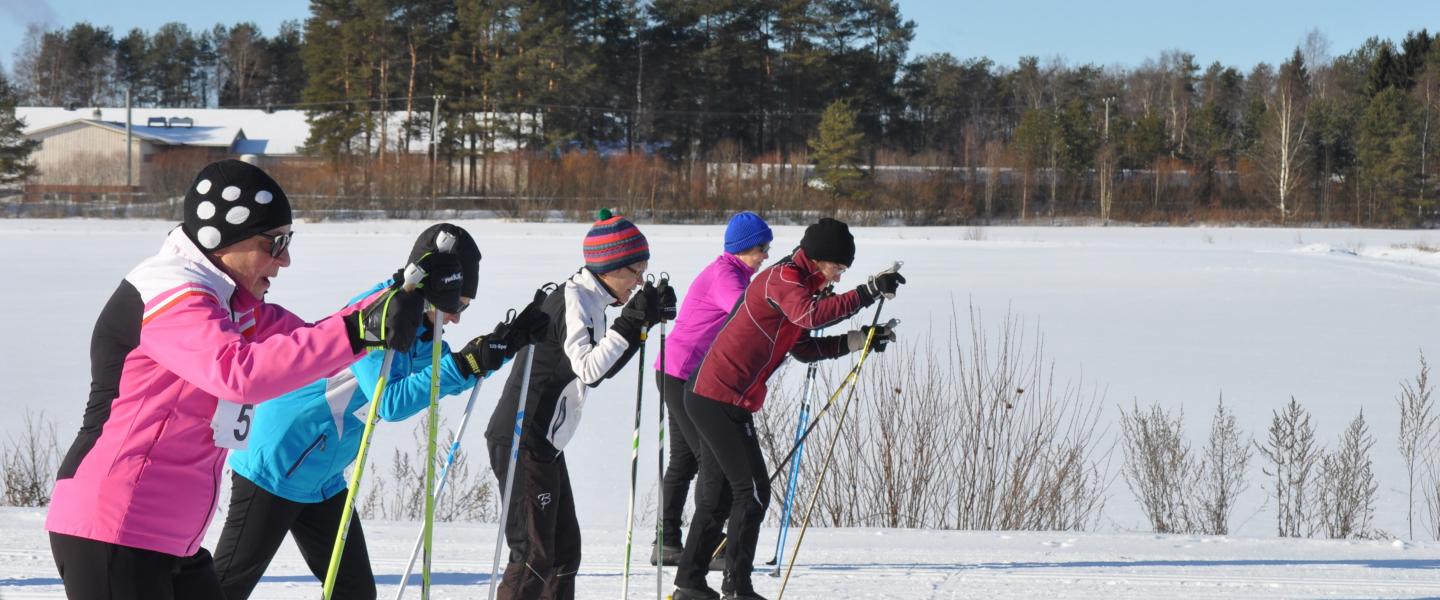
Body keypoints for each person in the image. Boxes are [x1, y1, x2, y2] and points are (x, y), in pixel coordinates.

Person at [45, 159, 459, 600]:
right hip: (115, 527)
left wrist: (394, 295)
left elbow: (308, 341)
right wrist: (362, 328)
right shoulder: (172, 293)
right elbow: (239, 374)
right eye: (274, 243)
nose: (285, 260)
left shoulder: (227, 303)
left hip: (168, 539)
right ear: (223, 238)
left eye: (288, 242)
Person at [211, 223, 549, 600]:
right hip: (277, 463)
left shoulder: (423, 328)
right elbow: (388, 401)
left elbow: (436, 376)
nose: (455, 319)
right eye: (455, 306)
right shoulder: (380, 315)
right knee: (227, 585)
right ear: (436, 290)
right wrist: (464, 366)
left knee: (355, 592)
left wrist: (496, 347)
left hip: (323, 480)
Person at [671, 218, 905, 600]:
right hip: (716, 397)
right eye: (838, 268)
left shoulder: (799, 289)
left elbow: (803, 347)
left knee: (719, 498)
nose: (840, 276)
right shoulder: (784, 279)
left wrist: (859, 339)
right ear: (819, 258)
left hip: (718, 398)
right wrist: (868, 292)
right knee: (753, 493)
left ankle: (690, 583)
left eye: (845, 271)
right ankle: (737, 588)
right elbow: (811, 316)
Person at [483, 210, 674, 600]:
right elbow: (589, 370)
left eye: (643, 272)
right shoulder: (574, 299)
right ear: (609, 266)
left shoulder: (592, 298)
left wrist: (642, 323)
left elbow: (599, 366)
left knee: (564, 553)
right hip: (523, 436)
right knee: (534, 555)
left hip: (545, 442)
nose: (639, 281)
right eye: (635, 272)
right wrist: (629, 324)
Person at [651, 211, 773, 567]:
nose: (765, 255)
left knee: (685, 460)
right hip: (683, 373)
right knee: (710, 458)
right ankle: (703, 545)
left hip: (679, 371)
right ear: (744, 248)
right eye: (762, 248)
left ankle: (668, 542)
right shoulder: (726, 276)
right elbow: (749, 314)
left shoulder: (736, 272)